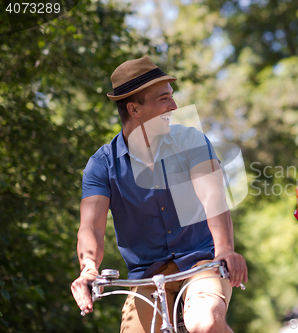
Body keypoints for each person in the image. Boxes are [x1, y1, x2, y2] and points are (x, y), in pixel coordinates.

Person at [70, 56, 248, 333]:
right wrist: (89, 268)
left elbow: (212, 197)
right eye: (163, 99)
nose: (174, 106)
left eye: (172, 97)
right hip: (147, 278)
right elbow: (91, 226)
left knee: (206, 322)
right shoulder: (102, 165)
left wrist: (225, 249)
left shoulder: (191, 141)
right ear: (134, 108)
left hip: (201, 263)